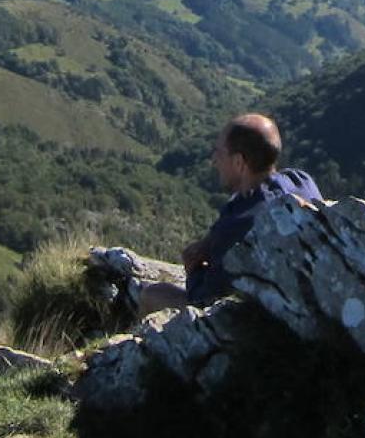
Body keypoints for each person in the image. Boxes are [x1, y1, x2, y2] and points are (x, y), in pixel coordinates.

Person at [137, 112, 321, 314]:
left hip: (263, 318)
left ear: (239, 163)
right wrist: (211, 241)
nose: (214, 160)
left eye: (219, 152)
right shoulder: (300, 180)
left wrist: (194, 270)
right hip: (313, 300)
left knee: (152, 294)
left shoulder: (240, 224)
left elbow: (203, 299)